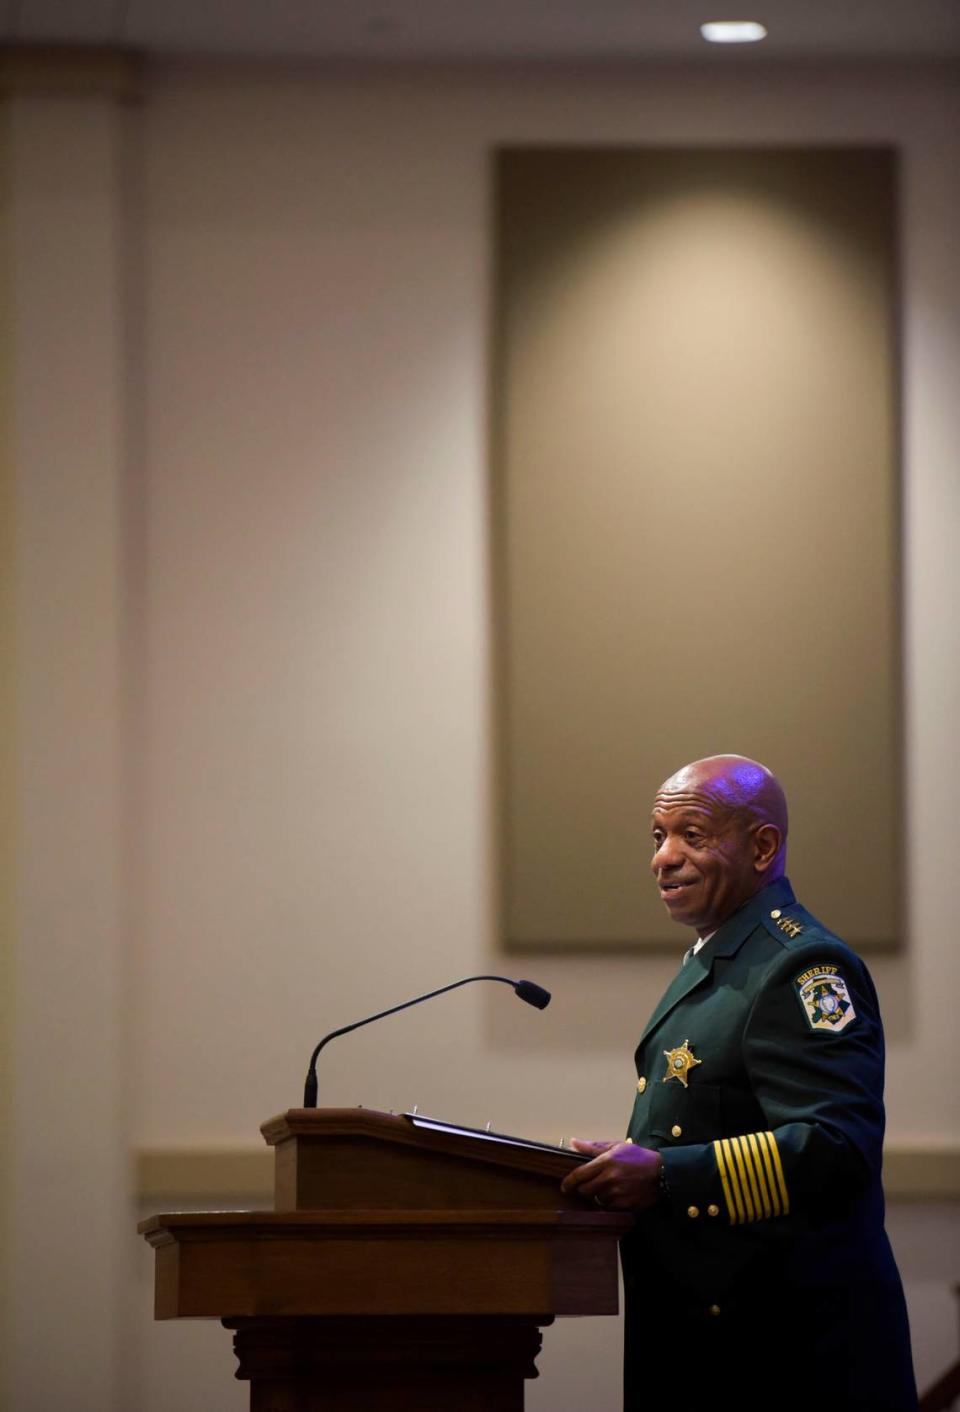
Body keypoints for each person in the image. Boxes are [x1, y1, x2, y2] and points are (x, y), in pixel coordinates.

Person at [560, 754, 917, 1412]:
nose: (662, 858)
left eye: (691, 835)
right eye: (657, 836)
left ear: (762, 846)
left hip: (782, 1356)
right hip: (714, 1338)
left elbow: (838, 1148)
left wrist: (666, 1174)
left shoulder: (802, 965)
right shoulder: (725, 954)